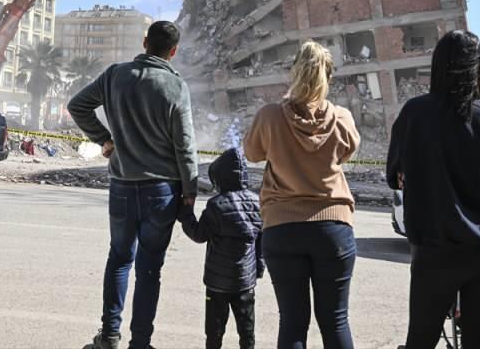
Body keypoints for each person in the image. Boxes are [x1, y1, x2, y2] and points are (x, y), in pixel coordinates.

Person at [68, 20, 199, 349]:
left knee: (119, 259)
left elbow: (77, 105)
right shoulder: (175, 86)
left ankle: (109, 335)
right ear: (173, 51)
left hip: (123, 187)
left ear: (144, 42)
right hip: (162, 192)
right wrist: (190, 192)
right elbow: (185, 146)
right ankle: (140, 342)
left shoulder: (115, 75)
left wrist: (104, 138)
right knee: (149, 268)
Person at [386, 30, 480, 349]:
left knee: (420, 342)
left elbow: (395, 177)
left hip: (437, 250)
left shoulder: (415, 113)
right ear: (478, 69)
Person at [244, 40, 360, 349]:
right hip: (333, 227)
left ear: (293, 72)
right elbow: (347, 152)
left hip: (282, 228)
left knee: (293, 322)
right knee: (335, 320)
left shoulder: (269, 116)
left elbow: (252, 153)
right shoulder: (342, 118)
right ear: (328, 77)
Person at [178, 147, 263, 349]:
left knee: (214, 332)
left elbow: (199, 235)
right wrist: (259, 268)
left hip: (217, 283)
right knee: (247, 331)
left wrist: (186, 213)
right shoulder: (257, 203)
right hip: (245, 281)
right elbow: (261, 241)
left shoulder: (216, 205)